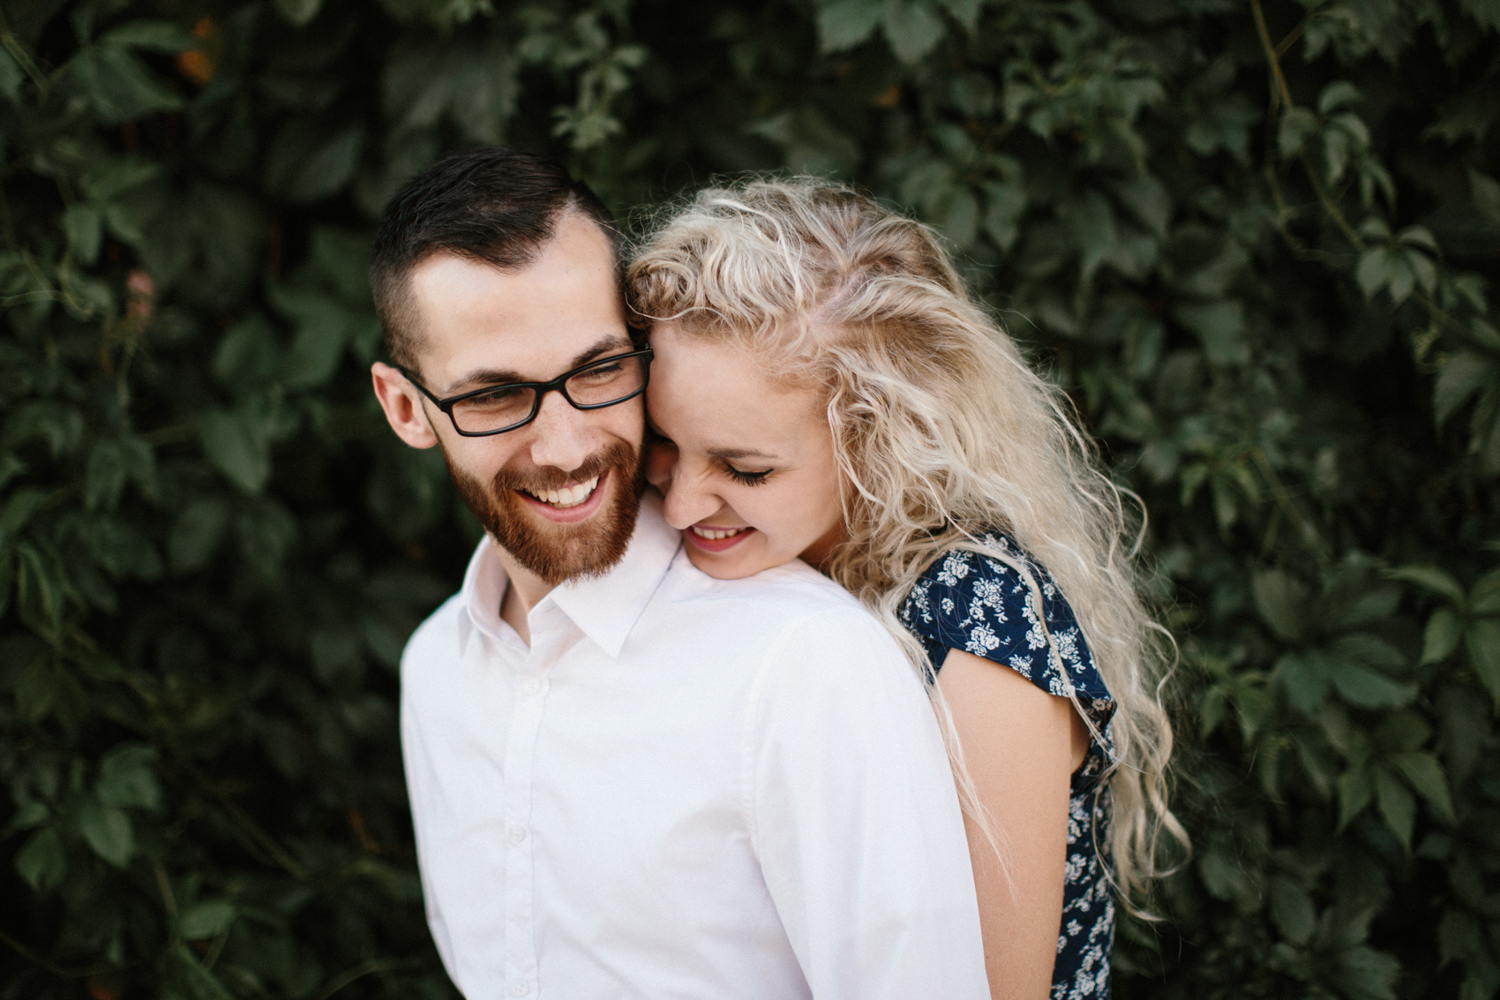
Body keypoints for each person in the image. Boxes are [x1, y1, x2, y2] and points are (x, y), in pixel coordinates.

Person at [366, 148, 989, 1000]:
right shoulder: (435, 670)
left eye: (597, 370)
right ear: (406, 408)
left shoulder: (806, 662)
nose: (567, 447)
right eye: (495, 396)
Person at [629, 178, 1184, 1000]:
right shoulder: (710, 554)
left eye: (745, 468)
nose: (678, 504)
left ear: (877, 438)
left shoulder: (981, 625)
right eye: (663, 443)